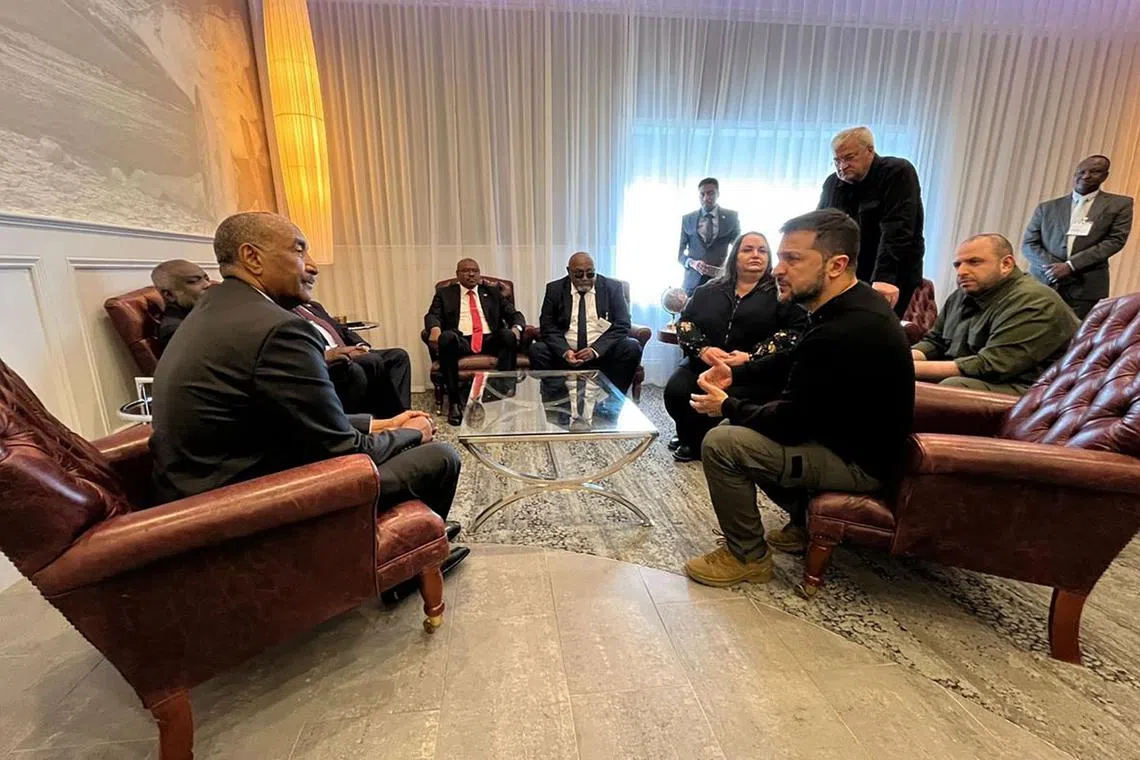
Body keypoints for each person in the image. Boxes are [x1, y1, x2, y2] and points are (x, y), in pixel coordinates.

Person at [150, 211, 468, 591]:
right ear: (252, 258)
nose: (313, 266)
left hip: (207, 481)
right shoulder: (279, 329)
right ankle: (401, 567)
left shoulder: (215, 311)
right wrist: (413, 432)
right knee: (440, 457)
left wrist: (381, 423)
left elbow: (286, 418)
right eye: (300, 251)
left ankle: (402, 536)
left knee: (398, 437)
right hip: (249, 499)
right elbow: (340, 448)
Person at [683, 208, 914, 587]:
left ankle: (747, 556)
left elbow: (788, 425)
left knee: (725, 441)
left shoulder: (848, 327)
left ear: (836, 265)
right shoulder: (847, 307)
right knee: (744, 429)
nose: (777, 268)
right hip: (843, 440)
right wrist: (736, 373)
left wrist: (726, 404)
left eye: (793, 258)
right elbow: (793, 359)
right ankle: (804, 521)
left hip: (861, 463)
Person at [663, 232, 807, 463]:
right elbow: (685, 323)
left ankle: (699, 442)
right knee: (676, 391)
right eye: (748, 249)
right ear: (734, 256)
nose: (756, 255)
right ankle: (688, 435)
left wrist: (751, 356)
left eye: (762, 250)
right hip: (702, 363)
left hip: (751, 371)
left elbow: (793, 333)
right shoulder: (708, 290)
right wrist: (703, 349)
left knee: (725, 398)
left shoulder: (783, 293)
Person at [912, 234, 1079, 395]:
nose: (962, 271)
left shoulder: (1034, 301)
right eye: (957, 264)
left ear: (1006, 264)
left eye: (974, 262)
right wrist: (898, 359)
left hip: (1035, 390)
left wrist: (902, 367)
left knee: (953, 388)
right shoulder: (961, 295)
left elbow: (990, 365)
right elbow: (935, 342)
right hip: (987, 377)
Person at [818, 126, 925, 317]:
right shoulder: (832, 183)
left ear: (870, 150)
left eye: (849, 158)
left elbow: (897, 229)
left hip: (892, 273)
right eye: (837, 160)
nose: (842, 166)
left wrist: (885, 277)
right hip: (847, 273)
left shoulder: (897, 172)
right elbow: (822, 228)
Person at [1021, 155, 1134, 319]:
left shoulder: (1120, 204)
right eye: (1082, 171)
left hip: (1085, 287)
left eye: (1094, 172)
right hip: (1044, 283)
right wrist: (1053, 268)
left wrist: (1070, 266)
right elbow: (1029, 243)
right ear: (1075, 174)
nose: (1086, 176)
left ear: (1105, 176)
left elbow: (1115, 241)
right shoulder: (1047, 208)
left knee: (1075, 338)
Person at [424, 258, 526, 425]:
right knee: (446, 337)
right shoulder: (445, 293)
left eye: (475, 270)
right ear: (457, 275)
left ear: (479, 274)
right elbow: (432, 315)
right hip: (461, 339)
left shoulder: (493, 293)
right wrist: (435, 328)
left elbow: (515, 314)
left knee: (507, 335)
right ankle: (455, 403)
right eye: (465, 270)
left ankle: (502, 398)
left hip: (488, 339)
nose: (471, 274)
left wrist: (517, 328)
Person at [528, 252, 643, 395]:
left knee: (631, 347)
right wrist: (565, 351)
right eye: (579, 274)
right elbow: (547, 326)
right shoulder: (555, 289)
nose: (585, 279)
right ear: (568, 271)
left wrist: (595, 350)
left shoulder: (612, 288)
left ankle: (614, 400)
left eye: (590, 274)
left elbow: (623, 324)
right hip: (565, 355)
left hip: (602, 354)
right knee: (537, 350)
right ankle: (556, 401)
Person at [294, 299, 412, 418]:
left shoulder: (314, 306)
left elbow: (342, 329)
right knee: (371, 360)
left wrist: (361, 345)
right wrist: (335, 352)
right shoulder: (286, 315)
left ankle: (403, 410)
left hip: (349, 350)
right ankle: (394, 416)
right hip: (330, 358)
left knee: (398, 356)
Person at [678, 178, 742, 294]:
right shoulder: (687, 219)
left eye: (710, 193)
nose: (706, 198)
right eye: (702, 194)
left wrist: (729, 269)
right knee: (689, 312)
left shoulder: (731, 217)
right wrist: (692, 263)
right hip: (692, 282)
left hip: (719, 280)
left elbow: (739, 247)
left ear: (718, 194)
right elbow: (680, 254)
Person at [150, 259, 215, 350]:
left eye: (206, 278)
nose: (208, 284)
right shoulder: (175, 330)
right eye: (194, 281)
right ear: (169, 295)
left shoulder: (201, 310)